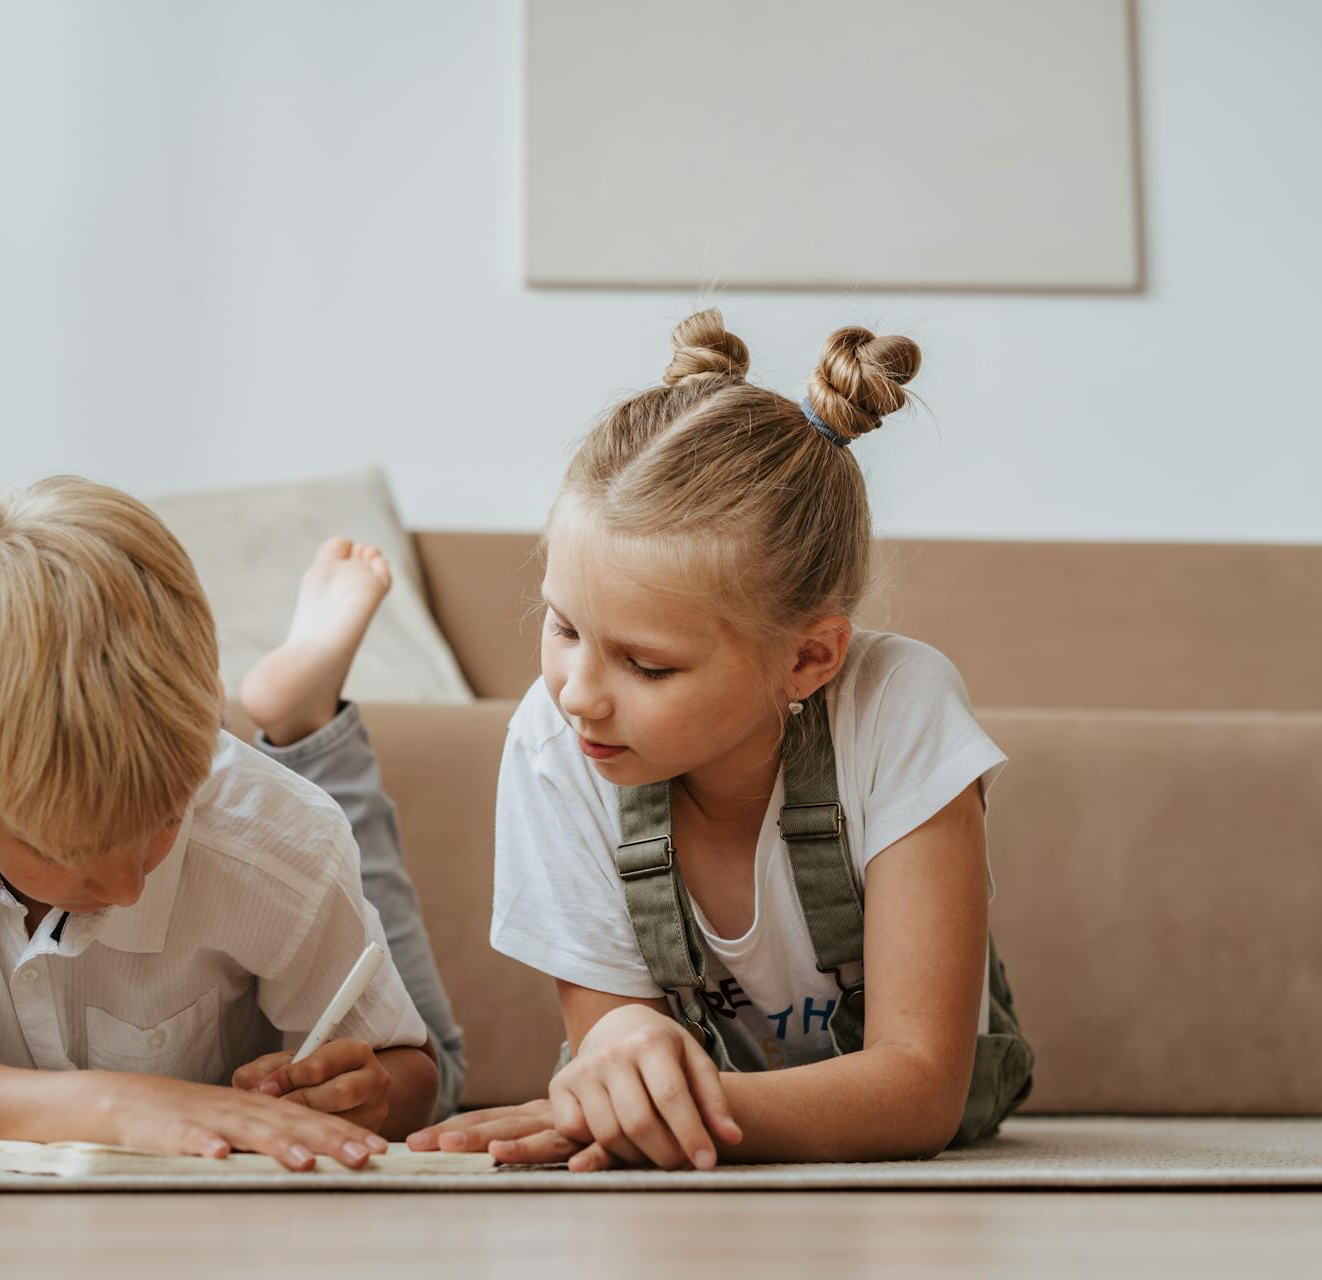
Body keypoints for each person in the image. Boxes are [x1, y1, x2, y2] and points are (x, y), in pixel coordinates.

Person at [411, 309, 1032, 1170]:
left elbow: (920, 1089)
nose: (579, 696)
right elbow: (613, 1039)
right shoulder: (552, 745)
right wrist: (622, 1062)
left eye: (648, 666)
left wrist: (660, 1115)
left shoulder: (900, 706)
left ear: (808, 658)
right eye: (562, 628)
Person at [0, 477, 456, 1168]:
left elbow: (411, 1075)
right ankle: (304, 718)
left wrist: (366, 1093)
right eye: (69, 850)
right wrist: (119, 1105)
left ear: (210, 723)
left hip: (284, 832)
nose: (128, 888)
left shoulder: (278, 834)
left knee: (450, 1067)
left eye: (165, 820)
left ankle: (311, 727)